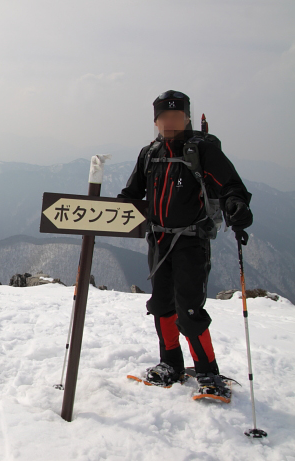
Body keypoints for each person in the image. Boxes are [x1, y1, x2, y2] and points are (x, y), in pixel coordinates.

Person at [118, 90, 253, 398]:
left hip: (191, 242)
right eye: (164, 117)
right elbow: (131, 194)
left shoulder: (203, 150)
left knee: (189, 310)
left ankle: (207, 371)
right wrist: (109, 215)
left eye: (177, 116)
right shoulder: (150, 154)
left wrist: (237, 205)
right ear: (156, 121)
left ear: (188, 118)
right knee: (161, 305)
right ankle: (171, 364)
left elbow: (231, 185)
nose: (170, 122)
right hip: (159, 240)